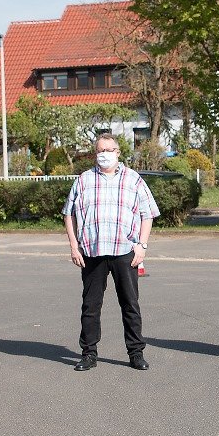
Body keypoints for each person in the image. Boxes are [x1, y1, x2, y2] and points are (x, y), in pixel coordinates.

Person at [63, 133, 160, 372]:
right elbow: (69, 214)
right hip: (92, 252)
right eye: (100, 150)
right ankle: (88, 353)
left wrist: (142, 245)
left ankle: (136, 353)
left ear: (118, 152)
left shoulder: (133, 179)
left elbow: (147, 214)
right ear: (95, 153)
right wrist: (74, 246)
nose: (104, 154)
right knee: (91, 305)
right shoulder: (84, 180)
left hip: (124, 250)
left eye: (109, 149)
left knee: (130, 303)